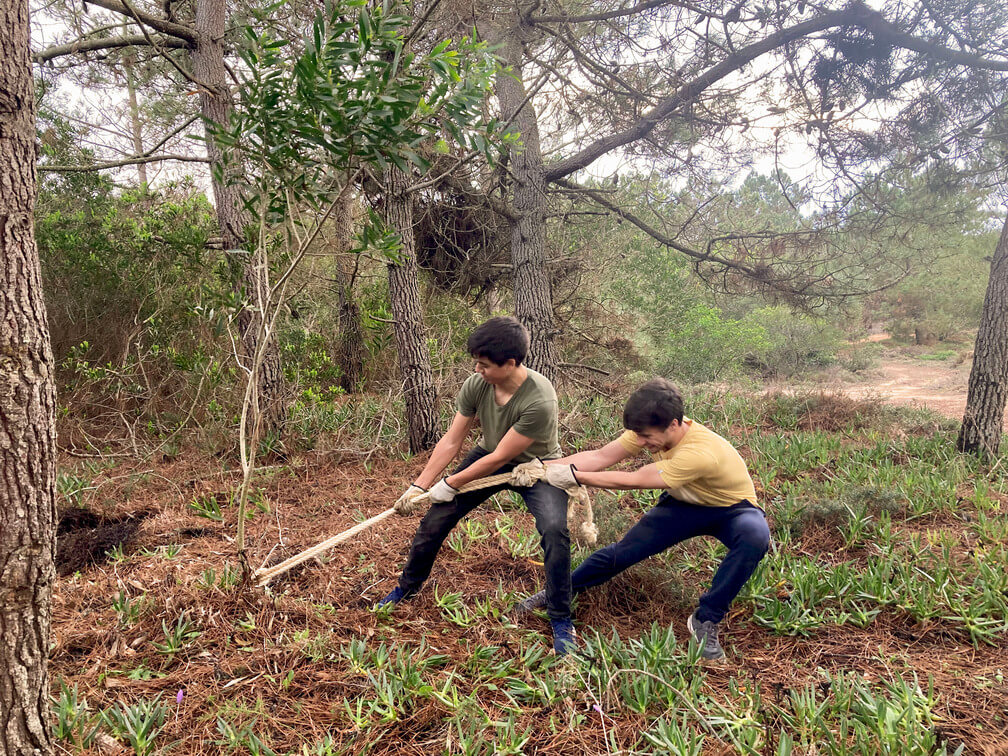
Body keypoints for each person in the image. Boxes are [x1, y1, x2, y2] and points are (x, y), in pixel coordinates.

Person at [519, 378, 769, 661]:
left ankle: (706, 618)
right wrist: (542, 467)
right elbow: (601, 456)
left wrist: (575, 477)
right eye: (637, 435)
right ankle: (559, 592)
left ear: (674, 424)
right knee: (623, 554)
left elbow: (635, 480)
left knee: (755, 537)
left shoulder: (700, 452)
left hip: (732, 509)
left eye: (646, 436)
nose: (640, 442)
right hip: (683, 505)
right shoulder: (648, 429)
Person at [377, 317, 575, 654]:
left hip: (537, 466)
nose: (477, 369)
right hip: (488, 453)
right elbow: (453, 441)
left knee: (555, 530)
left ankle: (560, 617)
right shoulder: (477, 384)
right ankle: (406, 589)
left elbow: (501, 458)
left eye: (483, 364)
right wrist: (421, 485)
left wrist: (450, 482)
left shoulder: (540, 400)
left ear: (510, 363)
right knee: (435, 519)